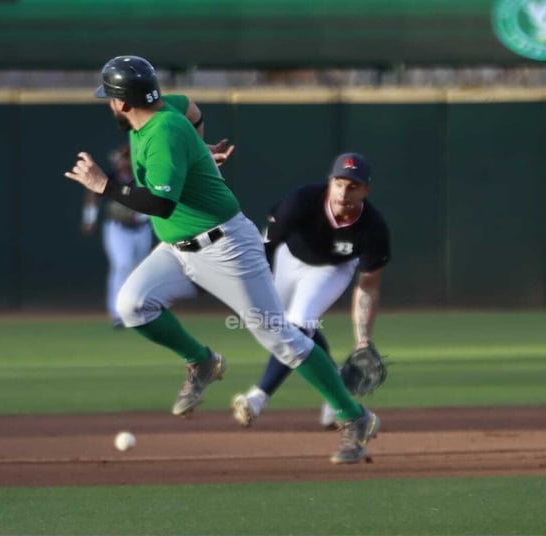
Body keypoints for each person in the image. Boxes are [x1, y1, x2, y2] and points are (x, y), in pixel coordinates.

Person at [64, 54, 379, 464]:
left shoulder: (161, 133)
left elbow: (158, 204)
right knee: (132, 305)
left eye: (110, 97)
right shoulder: (165, 109)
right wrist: (198, 152)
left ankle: (354, 417)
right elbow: (192, 108)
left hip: (226, 246)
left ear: (123, 102)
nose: (108, 104)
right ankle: (202, 361)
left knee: (280, 337)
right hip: (178, 249)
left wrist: (103, 185)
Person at [231, 153, 391, 429]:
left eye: (353, 186)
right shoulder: (301, 202)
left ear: (366, 190)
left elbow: (368, 288)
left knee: (299, 326)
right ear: (330, 183)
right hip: (286, 258)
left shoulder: (373, 229)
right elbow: (264, 246)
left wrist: (363, 340)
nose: (344, 192)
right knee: (271, 326)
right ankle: (337, 382)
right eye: (339, 183)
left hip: (332, 269)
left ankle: (258, 397)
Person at [81, 145, 154, 329]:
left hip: (142, 229)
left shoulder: (143, 177)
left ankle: (137, 310)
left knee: (138, 269)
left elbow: (157, 199)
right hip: (117, 227)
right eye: (122, 157)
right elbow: (93, 194)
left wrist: (144, 214)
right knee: (121, 265)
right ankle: (117, 313)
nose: (123, 161)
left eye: (127, 157)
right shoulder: (111, 177)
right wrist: (90, 218)